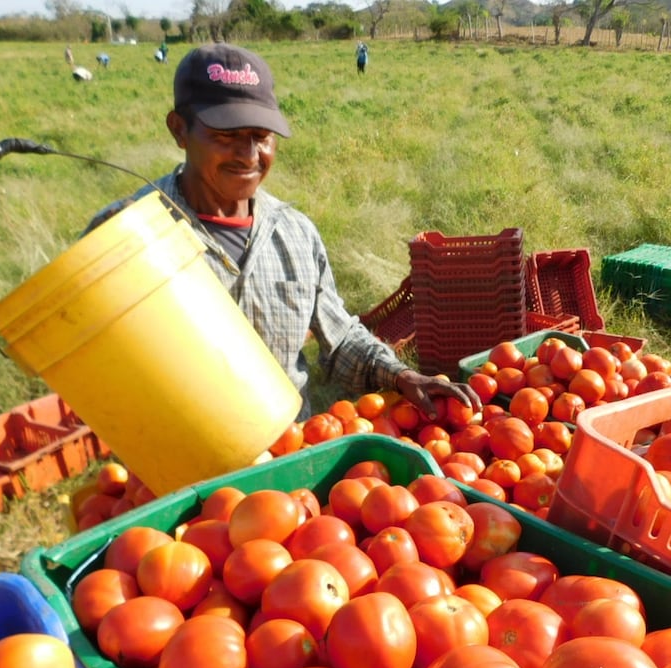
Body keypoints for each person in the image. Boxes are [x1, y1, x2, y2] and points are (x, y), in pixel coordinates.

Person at [86, 42, 479, 422]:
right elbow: (94, 360)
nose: (249, 155)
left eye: (261, 136)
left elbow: (339, 339)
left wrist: (400, 375)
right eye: (226, 135)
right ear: (179, 130)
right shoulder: (124, 234)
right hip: (180, 466)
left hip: (288, 461)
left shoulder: (294, 234)